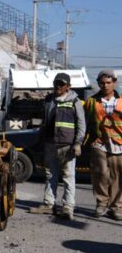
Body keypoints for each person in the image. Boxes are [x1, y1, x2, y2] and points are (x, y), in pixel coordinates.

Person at [28, 73, 85, 220]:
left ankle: (68, 207)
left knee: (68, 176)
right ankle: (49, 204)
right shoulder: (49, 100)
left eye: (61, 84)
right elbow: (45, 121)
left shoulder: (75, 101)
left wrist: (78, 143)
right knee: (50, 174)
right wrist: (41, 138)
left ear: (68, 86)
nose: (58, 86)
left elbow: (81, 124)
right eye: (56, 84)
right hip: (50, 143)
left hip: (67, 145)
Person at [84, 69, 122, 220]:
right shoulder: (92, 102)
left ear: (114, 83)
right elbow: (85, 122)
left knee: (117, 176)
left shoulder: (121, 101)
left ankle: (116, 207)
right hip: (99, 143)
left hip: (119, 144)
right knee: (100, 173)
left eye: (108, 82)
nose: (105, 85)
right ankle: (101, 203)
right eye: (102, 83)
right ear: (98, 84)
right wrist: (82, 142)